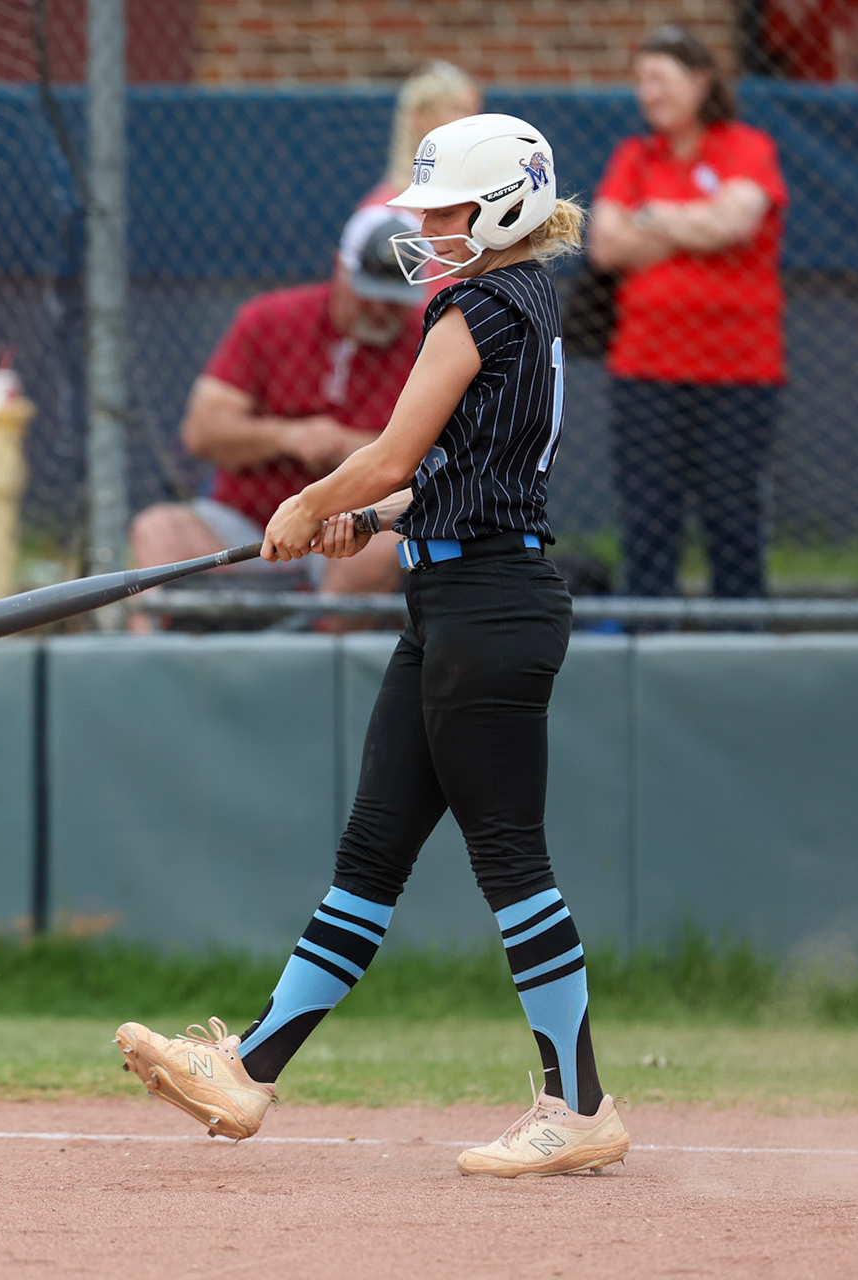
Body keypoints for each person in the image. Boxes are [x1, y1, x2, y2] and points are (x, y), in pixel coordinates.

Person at [116, 114, 631, 1179]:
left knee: (510, 861)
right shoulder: (524, 298)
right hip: (457, 596)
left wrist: (310, 500)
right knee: (371, 857)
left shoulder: (475, 302)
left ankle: (577, 1102)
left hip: (488, 606)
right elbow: (463, 469)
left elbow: (398, 447)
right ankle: (250, 1069)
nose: (427, 229)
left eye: (443, 210)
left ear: (500, 210)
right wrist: (384, 513)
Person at [127, 206, 423, 602]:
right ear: (340, 267)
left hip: (355, 527)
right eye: (369, 292)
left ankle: (321, 657)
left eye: (394, 297)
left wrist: (344, 445)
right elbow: (202, 431)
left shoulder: (431, 339)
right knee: (156, 529)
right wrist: (290, 437)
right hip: (247, 522)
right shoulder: (270, 320)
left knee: (389, 544)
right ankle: (160, 661)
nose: (382, 309)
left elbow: (442, 460)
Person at [588, 24, 788, 600]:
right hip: (645, 367)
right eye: (641, 81)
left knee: (732, 516)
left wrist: (649, 219)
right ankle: (647, 646)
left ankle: (740, 642)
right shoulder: (633, 156)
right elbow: (604, 245)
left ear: (701, 81)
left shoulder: (748, 147)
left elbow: (737, 221)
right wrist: (694, 224)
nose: (649, 93)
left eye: (661, 79)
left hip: (738, 370)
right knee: (649, 517)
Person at [361, 60, 483, 210]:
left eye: (474, 109)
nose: (472, 119)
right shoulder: (382, 214)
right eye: (459, 109)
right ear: (421, 116)